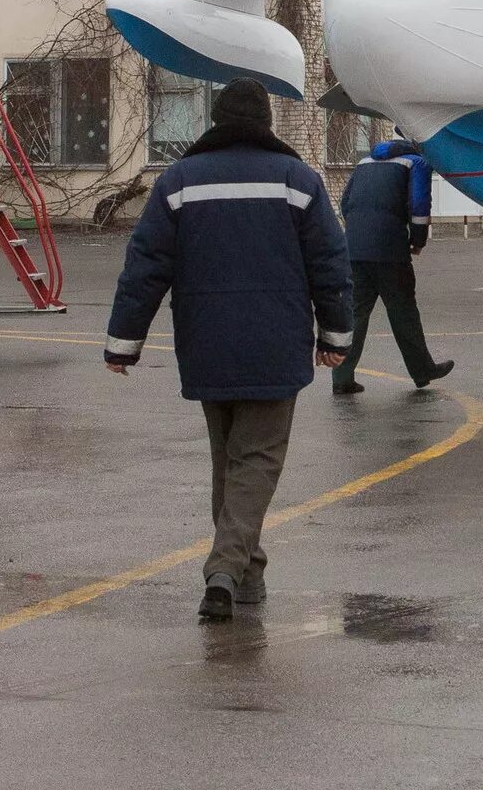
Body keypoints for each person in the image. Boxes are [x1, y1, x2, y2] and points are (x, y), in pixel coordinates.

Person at [104, 78, 354, 622]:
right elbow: (331, 265)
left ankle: (247, 575)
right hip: (274, 344)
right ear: (264, 123)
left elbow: (145, 265)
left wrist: (124, 343)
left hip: (206, 343)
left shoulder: (178, 181)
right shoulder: (298, 181)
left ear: (215, 121)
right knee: (257, 461)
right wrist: (336, 336)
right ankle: (223, 569)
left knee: (230, 463)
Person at [332, 138, 454, 395]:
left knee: (355, 313)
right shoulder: (417, 163)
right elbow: (420, 204)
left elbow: (346, 202)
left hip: (354, 249)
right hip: (390, 251)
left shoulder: (364, 163)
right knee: (403, 311)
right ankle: (423, 371)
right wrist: (418, 239)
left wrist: (358, 232)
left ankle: (341, 377)